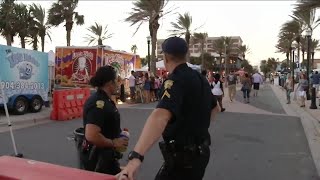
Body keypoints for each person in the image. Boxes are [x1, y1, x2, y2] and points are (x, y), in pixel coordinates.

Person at [116, 36, 220, 180]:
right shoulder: (199, 78)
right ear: (185, 55)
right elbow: (216, 109)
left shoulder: (175, 80)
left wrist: (136, 157)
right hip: (201, 154)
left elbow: (160, 116)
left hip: (183, 159)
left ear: (165, 57)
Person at [80, 66, 129, 175]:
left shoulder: (105, 100)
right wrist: (113, 143)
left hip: (107, 158)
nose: (117, 83)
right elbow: (92, 135)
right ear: (109, 83)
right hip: (99, 160)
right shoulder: (98, 103)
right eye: (116, 80)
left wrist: (118, 134)